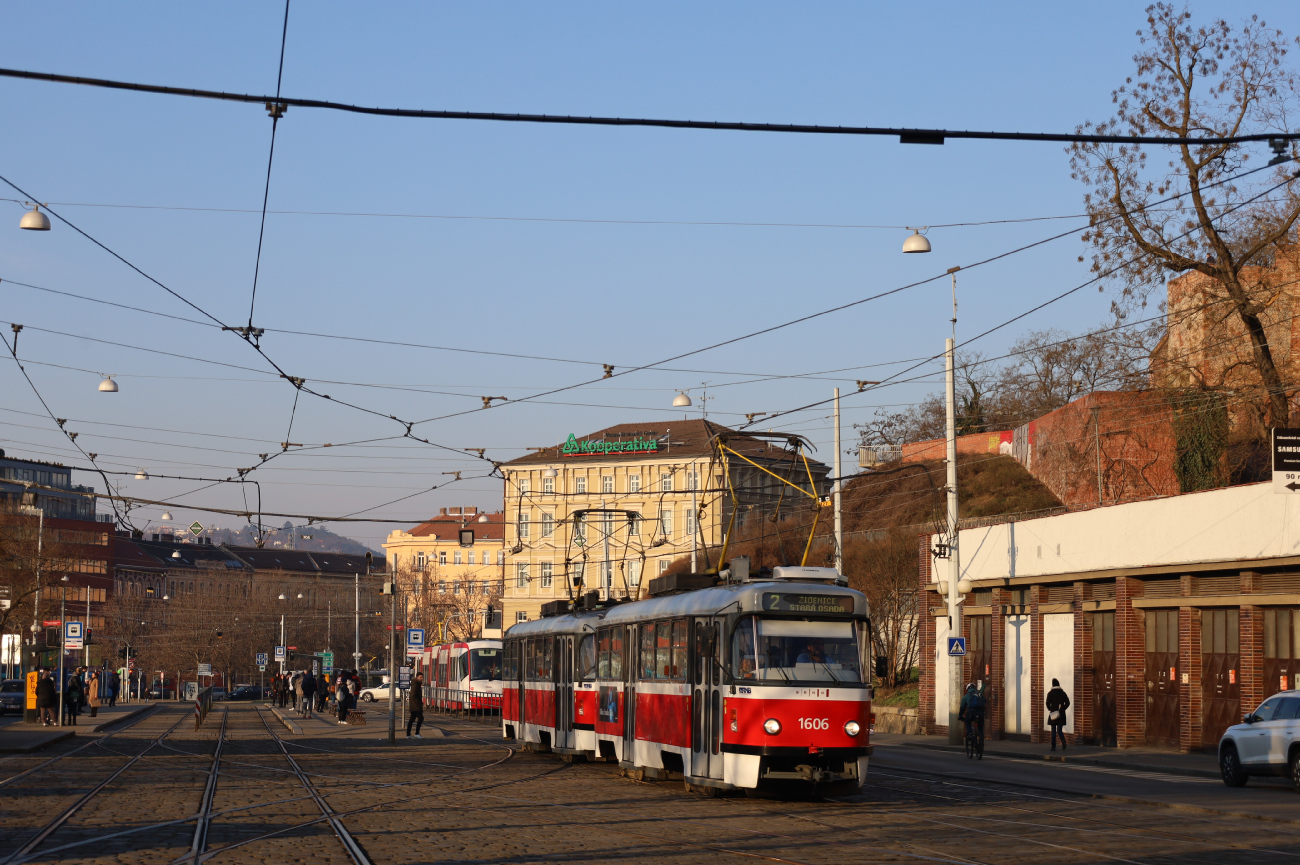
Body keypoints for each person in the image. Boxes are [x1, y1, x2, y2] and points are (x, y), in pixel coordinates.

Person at [1046, 678, 1071, 751]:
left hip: (1053, 713)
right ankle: (1063, 740)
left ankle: (1053, 746)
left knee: (1053, 731)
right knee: (1059, 730)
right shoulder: (1063, 693)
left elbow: (1047, 704)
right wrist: (1063, 708)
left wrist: (1050, 709)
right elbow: (1068, 703)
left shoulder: (1050, 693)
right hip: (1061, 714)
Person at [958, 682, 985, 747]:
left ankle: (970, 733)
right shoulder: (980, 694)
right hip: (980, 713)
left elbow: (962, 708)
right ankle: (981, 739)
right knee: (980, 727)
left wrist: (960, 716)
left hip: (971, 713)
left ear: (968, 689)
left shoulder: (966, 696)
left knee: (967, 722)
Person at [406, 673, 425, 738]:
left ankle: (408, 734)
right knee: (420, 718)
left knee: (412, 719)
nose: (421, 678)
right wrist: (419, 703)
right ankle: (416, 733)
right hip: (416, 706)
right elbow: (413, 695)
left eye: (422, 677)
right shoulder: (415, 685)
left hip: (415, 705)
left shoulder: (417, 684)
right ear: (417, 677)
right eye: (420, 677)